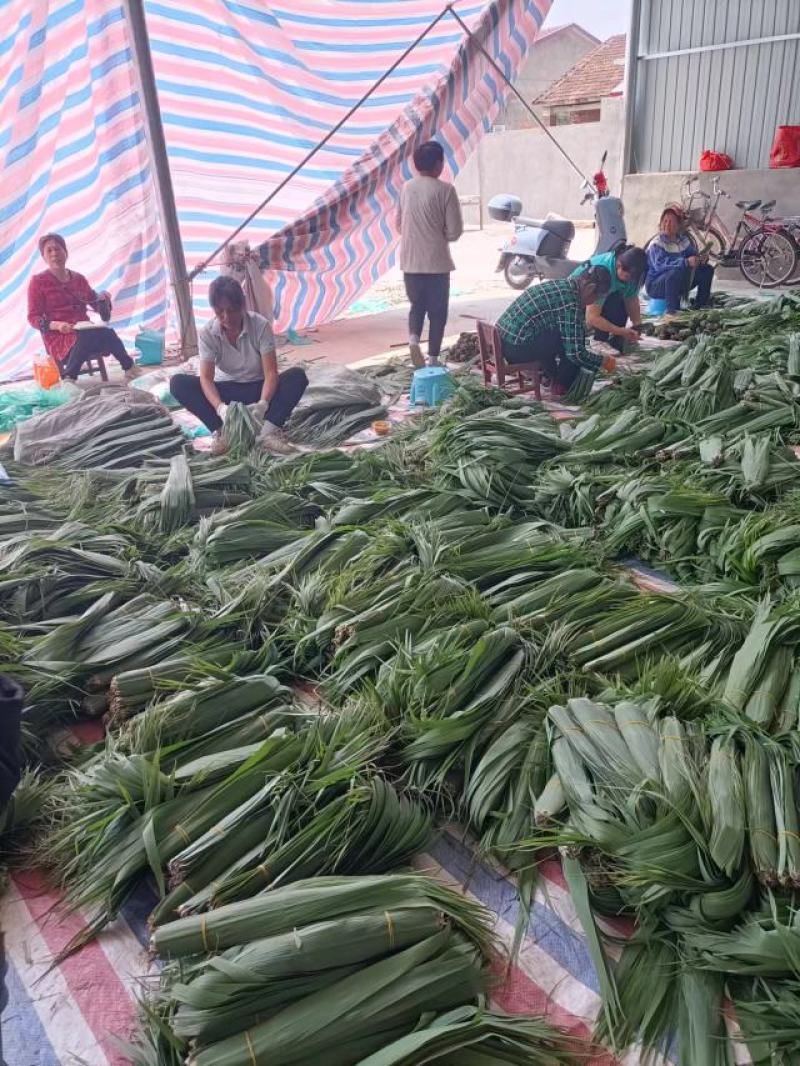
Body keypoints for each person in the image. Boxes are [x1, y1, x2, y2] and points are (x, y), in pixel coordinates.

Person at [170, 276, 308, 456]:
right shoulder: (208, 334)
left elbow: (271, 373)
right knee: (178, 383)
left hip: (258, 388)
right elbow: (206, 378)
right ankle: (224, 433)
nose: (226, 317)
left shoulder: (260, 326)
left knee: (297, 377)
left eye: (232, 310)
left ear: (242, 305)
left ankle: (267, 433)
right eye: (220, 312)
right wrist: (220, 408)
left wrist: (263, 404)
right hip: (227, 392)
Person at [27, 233, 136, 381]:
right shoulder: (38, 282)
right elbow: (33, 317)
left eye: (58, 249)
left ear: (65, 252)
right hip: (59, 336)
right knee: (86, 336)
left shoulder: (78, 279)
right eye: (49, 250)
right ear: (44, 256)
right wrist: (57, 325)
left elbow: (95, 303)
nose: (54, 254)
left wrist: (104, 299)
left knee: (107, 332)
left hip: (84, 331)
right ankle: (70, 378)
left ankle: (129, 368)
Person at [496, 266, 615, 395]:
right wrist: (602, 361)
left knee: (562, 335)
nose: (593, 302)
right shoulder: (570, 302)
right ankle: (560, 385)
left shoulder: (565, 285)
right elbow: (576, 353)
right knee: (572, 343)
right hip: (516, 348)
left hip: (503, 339)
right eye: (596, 298)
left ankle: (552, 376)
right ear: (590, 288)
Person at [398, 140, 463, 368]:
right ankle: (434, 358)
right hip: (436, 264)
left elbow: (399, 225)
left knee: (417, 306)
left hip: (410, 262)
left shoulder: (406, 188)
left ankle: (414, 339)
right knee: (438, 312)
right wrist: (439, 232)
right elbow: (454, 231)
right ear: (438, 164)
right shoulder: (446, 190)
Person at [572, 244, 647, 354]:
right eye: (627, 276)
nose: (629, 280)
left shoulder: (631, 275)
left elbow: (631, 299)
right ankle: (599, 340)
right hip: (579, 306)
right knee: (614, 298)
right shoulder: (604, 271)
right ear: (619, 265)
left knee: (620, 297)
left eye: (632, 277)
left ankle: (615, 337)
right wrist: (620, 331)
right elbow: (592, 317)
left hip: (600, 304)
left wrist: (637, 326)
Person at [646, 204, 714, 313]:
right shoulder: (657, 244)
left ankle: (700, 305)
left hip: (678, 281)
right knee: (674, 273)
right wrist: (686, 262)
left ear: (678, 226)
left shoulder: (683, 241)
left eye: (671, 222)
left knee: (707, 270)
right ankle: (672, 311)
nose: (667, 224)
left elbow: (692, 254)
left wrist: (700, 259)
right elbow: (660, 266)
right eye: (665, 221)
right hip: (656, 285)